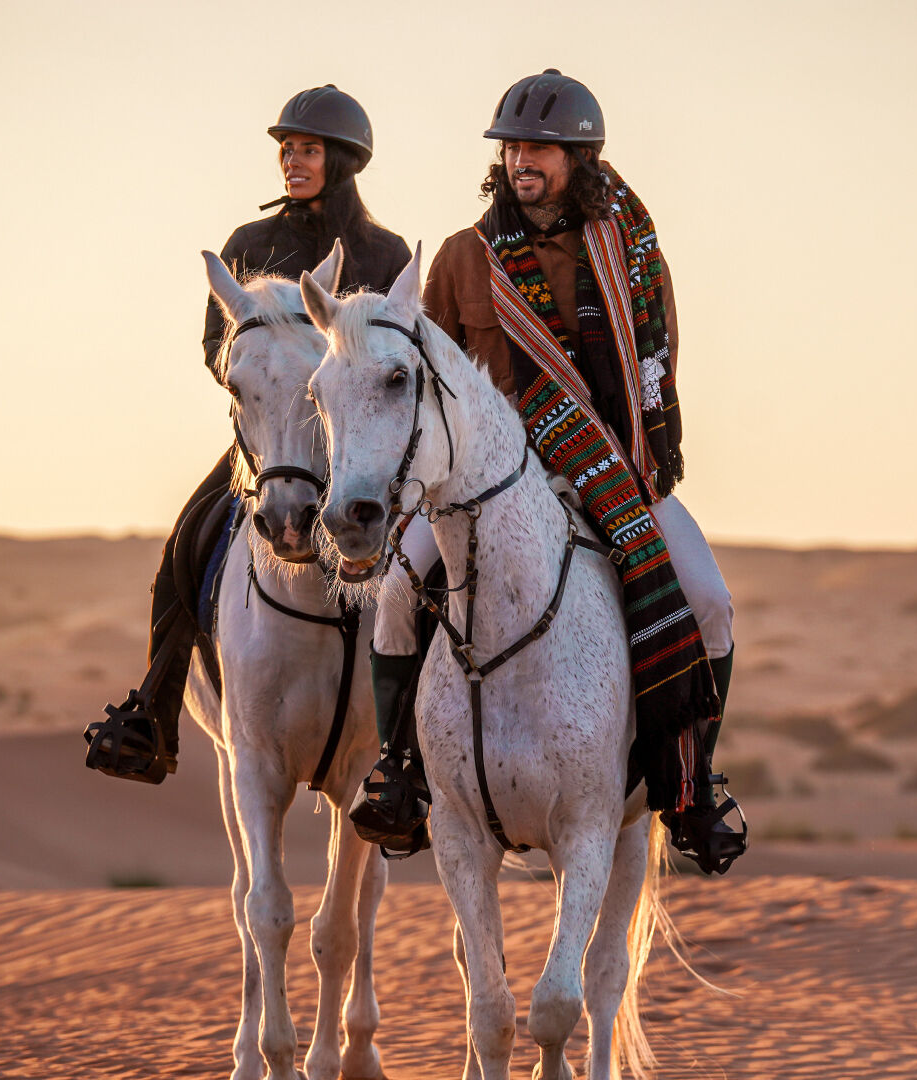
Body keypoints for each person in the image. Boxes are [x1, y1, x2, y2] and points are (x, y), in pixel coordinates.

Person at [349, 70, 746, 874]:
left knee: (709, 602)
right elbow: (433, 377)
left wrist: (647, 456)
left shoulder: (632, 255)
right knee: (396, 596)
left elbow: (659, 370)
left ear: (581, 157)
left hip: (611, 475)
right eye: (514, 147)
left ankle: (694, 783)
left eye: (542, 148)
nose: (523, 159)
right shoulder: (464, 256)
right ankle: (403, 771)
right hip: (486, 486)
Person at [84, 85, 409, 784]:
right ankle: (153, 716)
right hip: (267, 444)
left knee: (431, 559)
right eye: (286, 150)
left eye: (307, 150)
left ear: (343, 161)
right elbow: (215, 342)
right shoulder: (249, 245)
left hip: (359, 449)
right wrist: (254, 376)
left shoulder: (383, 253)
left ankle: (413, 748)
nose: (291, 161)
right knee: (184, 543)